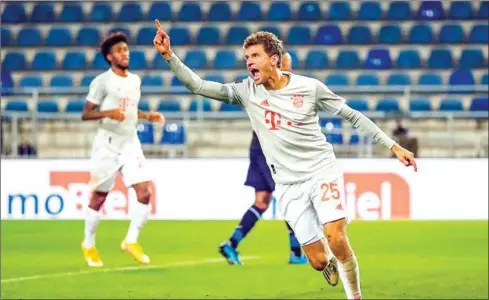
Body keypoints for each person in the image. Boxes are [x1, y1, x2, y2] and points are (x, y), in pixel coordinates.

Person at [153, 21, 417, 299]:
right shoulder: (246, 92)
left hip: (321, 171)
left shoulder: (309, 88)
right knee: (317, 261)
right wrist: (169, 56)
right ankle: (328, 261)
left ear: (274, 59)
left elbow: (351, 115)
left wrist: (393, 146)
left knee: (337, 238)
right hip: (289, 185)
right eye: (246, 58)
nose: (249, 63)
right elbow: (198, 86)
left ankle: (355, 296)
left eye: (255, 56)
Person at [80, 32, 165, 267]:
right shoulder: (102, 81)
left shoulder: (135, 80)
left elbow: (130, 110)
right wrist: (108, 113)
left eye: (126, 49)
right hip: (106, 146)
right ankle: (88, 244)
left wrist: (148, 115)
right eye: (118, 50)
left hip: (130, 144)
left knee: (145, 192)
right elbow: (86, 114)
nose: (124, 53)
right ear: (109, 57)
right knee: (99, 196)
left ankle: (131, 241)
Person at [219, 52, 309, 266]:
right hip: (268, 150)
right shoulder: (265, 89)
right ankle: (296, 252)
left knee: (262, 201)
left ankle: (231, 244)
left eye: (290, 67)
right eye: (285, 66)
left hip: (261, 148)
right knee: (289, 198)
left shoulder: (287, 89)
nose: (288, 71)